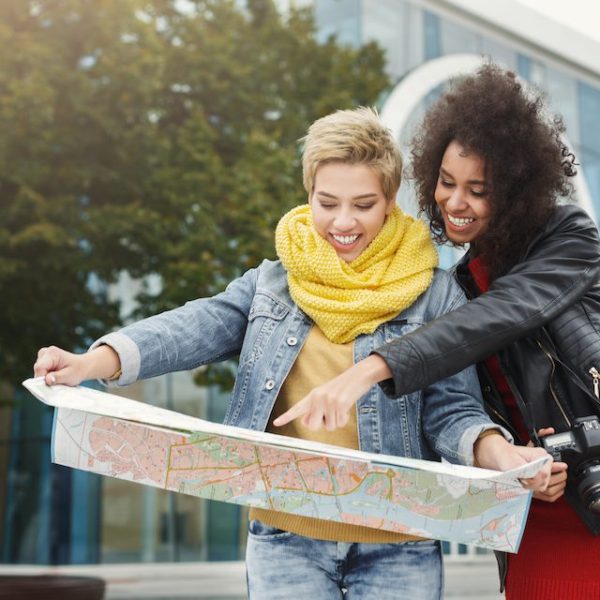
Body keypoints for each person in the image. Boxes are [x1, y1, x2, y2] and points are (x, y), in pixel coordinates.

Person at [34, 107, 550, 600]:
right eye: (327, 203)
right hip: (285, 541)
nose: (342, 222)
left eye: (363, 204)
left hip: (399, 544)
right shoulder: (273, 284)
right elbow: (191, 327)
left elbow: (451, 410)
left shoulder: (434, 293)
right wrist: (89, 362)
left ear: (391, 200)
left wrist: (502, 456)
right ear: (309, 195)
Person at [274, 66, 600, 599]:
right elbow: (462, 403)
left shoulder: (569, 238)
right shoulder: (456, 283)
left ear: (517, 193)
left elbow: (499, 317)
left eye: (478, 190)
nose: (454, 202)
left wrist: (369, 370)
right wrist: (505, 460)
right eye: (447, 182)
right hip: (534, 506)